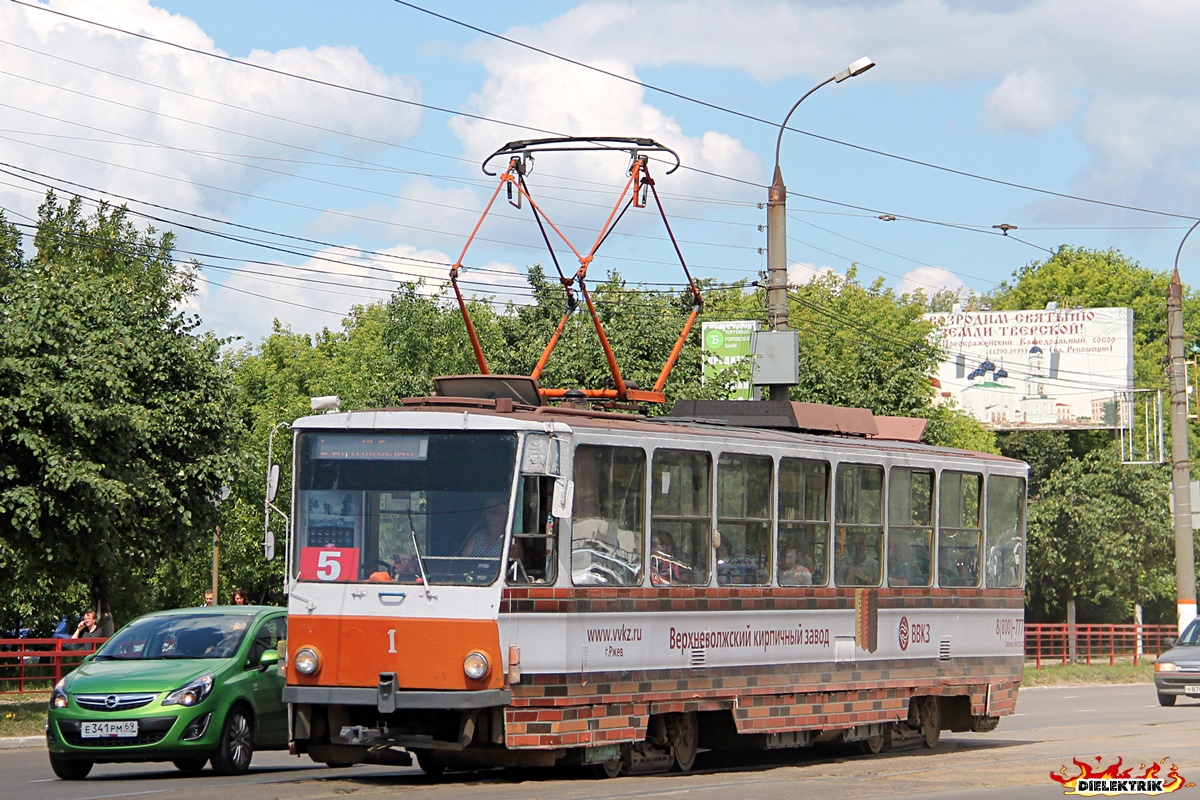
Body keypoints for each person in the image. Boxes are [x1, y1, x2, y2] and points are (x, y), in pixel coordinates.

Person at [459, 498, 524, 562]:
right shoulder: (477, 536)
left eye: (494, 512)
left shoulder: (512, 538)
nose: (490, 515)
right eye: (488, 511)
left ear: (505, 514)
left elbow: (515, 565)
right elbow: (462, 562)